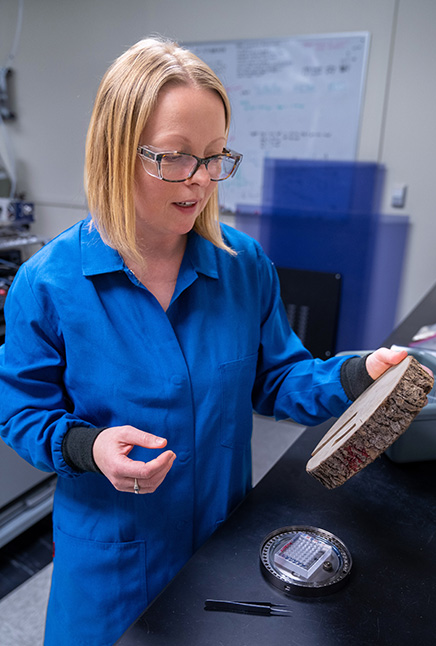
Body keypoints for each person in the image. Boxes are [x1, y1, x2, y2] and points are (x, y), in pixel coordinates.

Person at [0, 37, 408, 645]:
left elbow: (277, 379)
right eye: (177, 157)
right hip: (109, 565)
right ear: (117, 152)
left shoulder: (243, 266)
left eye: (216, 156)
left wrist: (355, 376)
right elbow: (22, 415)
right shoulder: (50, 283)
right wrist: (89, 447)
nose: (201, 180)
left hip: (224, 544)